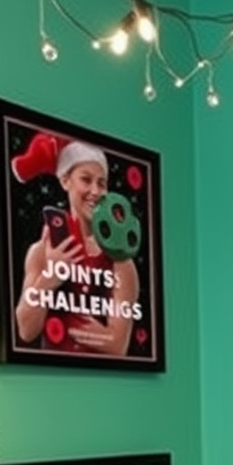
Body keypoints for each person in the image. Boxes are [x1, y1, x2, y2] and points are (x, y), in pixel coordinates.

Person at [14, 138, 139, 357]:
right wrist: (50, 277)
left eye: (102, 183)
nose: (96, 191)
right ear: (65, 181)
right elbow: (26, 331)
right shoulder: (41, 251)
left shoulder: (121, 261)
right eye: (86, 179)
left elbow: (119, 346)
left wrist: (71, 328)